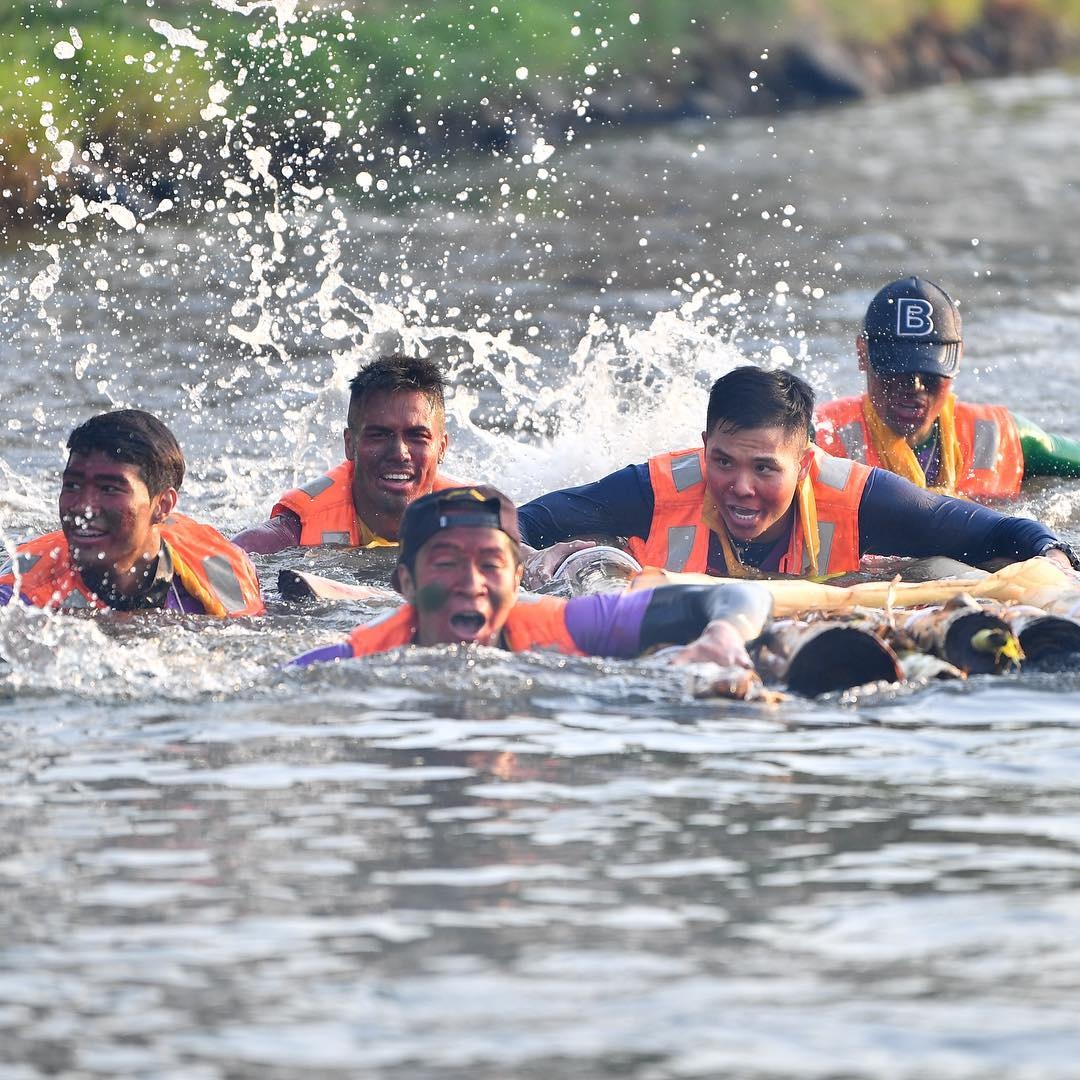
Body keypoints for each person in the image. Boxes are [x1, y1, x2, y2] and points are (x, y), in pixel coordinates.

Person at [515, 365, 1078, 586]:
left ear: (805, 463)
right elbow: (523, 520)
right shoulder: (651, 488)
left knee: (943, 570)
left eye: (765, 469)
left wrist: (1053, 559)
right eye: (724, 461)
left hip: (829, 615)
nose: (740, 487)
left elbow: (994, 532)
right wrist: (533, 555)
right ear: (703, 445)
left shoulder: (863, 499)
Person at [289, 486, 773, 669]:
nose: (471, 582)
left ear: (518, 578)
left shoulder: (566, 625)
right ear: (406, 585)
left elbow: (734, 595)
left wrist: (724, 635)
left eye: (490, 564)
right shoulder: (353, 659)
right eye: (446, 563)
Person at [815, 277, 1080, 498]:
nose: (915, 385)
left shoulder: (1002, 436)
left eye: (929, 370)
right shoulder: (818, 440)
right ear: (863, 354)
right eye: (897, 370)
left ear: (958, 357)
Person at [0, 409, 264, 616]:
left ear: (162, 506)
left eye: (109, 489)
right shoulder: (17, 596)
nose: (82, 507)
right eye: (72, 485)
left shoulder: (225, 571)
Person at [233, 355, 462, 553]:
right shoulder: (293, 532)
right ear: (350, 444)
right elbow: (230, 556)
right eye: (379, 435)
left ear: (442, 448)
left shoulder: (484, 522)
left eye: (417, 436)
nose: (399, 453)